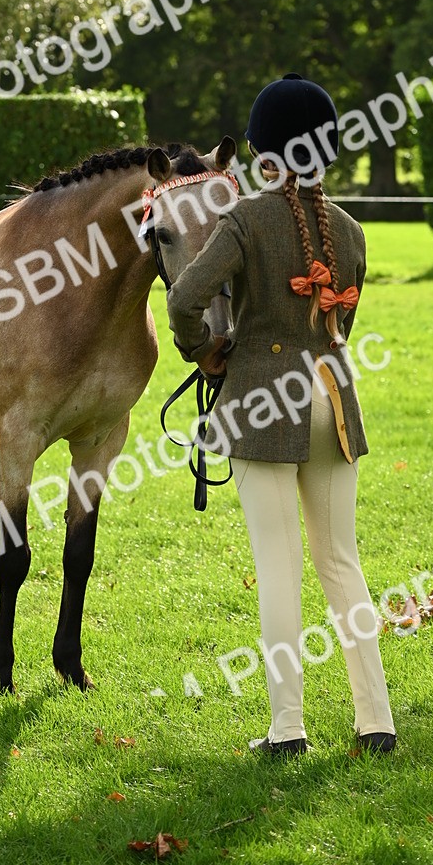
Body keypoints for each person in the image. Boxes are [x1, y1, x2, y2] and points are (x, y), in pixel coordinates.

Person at [166, 73, 396, 756]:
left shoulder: (244, 220)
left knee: (278, 567)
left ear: (263, 152)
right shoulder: (351, 231)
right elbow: (342, 323)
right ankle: (376, 722)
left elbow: (184, 299)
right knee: (341, 561)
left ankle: (287, 729)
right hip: (334, 399)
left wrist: (204, 351)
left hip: (264, 404)